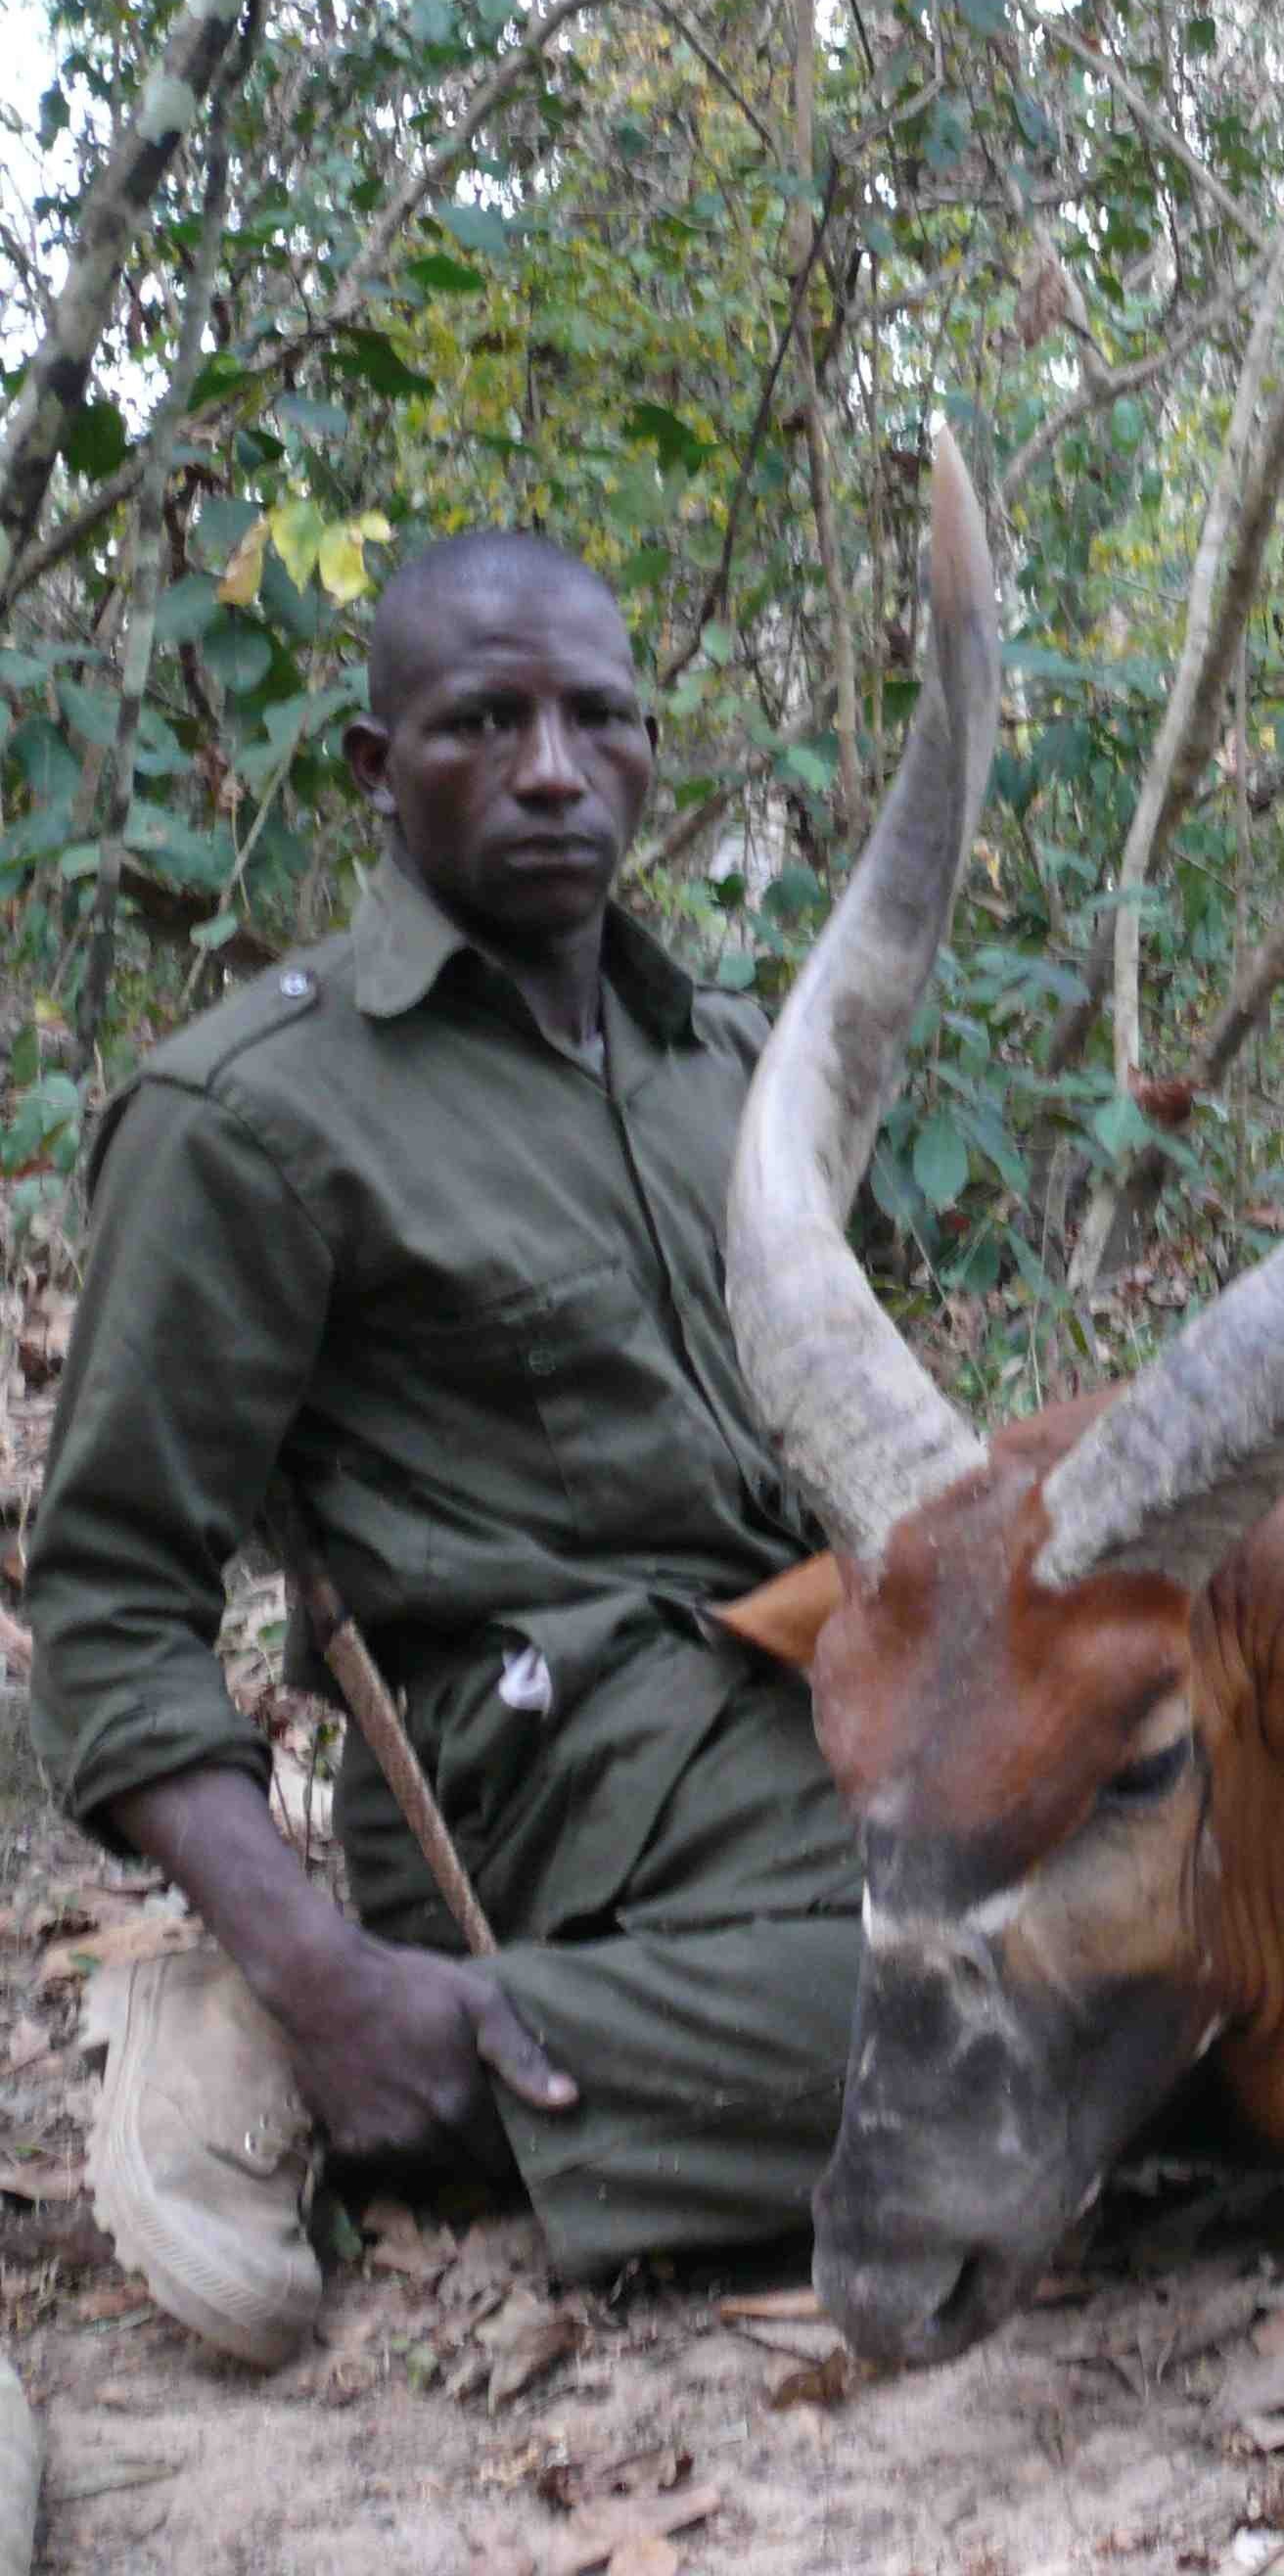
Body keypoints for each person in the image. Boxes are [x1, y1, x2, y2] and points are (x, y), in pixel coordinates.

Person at [23, 529, 859, 2369]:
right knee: (1019, 2007)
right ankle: (339, 2054)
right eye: (486, 721)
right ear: (374, 768)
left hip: (807, 1700)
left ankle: (519, 2042)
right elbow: (103, 1603)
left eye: (598, 718)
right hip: (542, 1792)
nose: (555, 769)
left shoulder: (727, 1060)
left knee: (1189, 1890)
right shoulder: (253, 1115)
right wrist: (312, 1967)